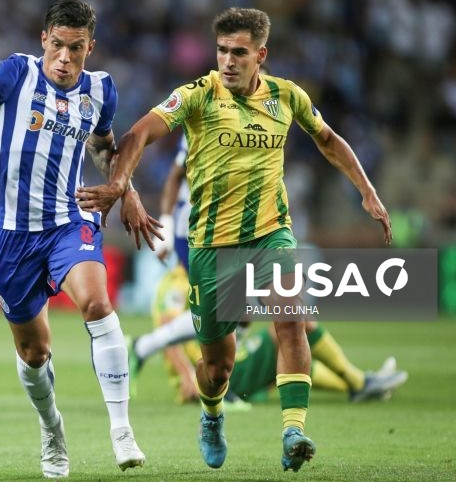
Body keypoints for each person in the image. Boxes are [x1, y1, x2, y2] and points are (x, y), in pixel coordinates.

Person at [76, 7, 393, 472]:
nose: (227, 60)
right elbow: (140, 133)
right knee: (218, 364)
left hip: (271, 234)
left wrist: (366, 191)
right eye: (222, 50)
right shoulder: (198, 96)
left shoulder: (287, 97)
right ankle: (212, 414)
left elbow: (328, 139)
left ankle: (293, 430)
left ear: (260, 55)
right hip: (209, 246)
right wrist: (121, 185)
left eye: (238, 52)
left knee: (292, 320)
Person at [0, 0, 159, 477]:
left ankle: (121, 429)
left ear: (90, 47)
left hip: (68, 220)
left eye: (76, 49)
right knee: (35, 353)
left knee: (97, 304)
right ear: (43, 40)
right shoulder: (16, 73)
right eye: (58, 45)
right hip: (12, 235)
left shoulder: (101, 90)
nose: (65, 58)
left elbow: (104, 147)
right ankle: (52, 429)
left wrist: (127, 191)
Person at [130, 137, 406, 405]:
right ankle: (359, 383)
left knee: (282, 321)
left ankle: (359, 383)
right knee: (283, 324)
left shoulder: (234, 120)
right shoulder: (204, 112)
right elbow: (175, 172)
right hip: (209, 237)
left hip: (228, 236)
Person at [144, 265, 408, 405]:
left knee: (294, 350)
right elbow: (166, 329)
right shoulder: (176, 282)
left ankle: (362, 384)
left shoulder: (204, 273)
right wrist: (186, 376)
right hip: (218, 373)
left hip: (229, 363)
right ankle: (360, 383)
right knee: (297, 326)